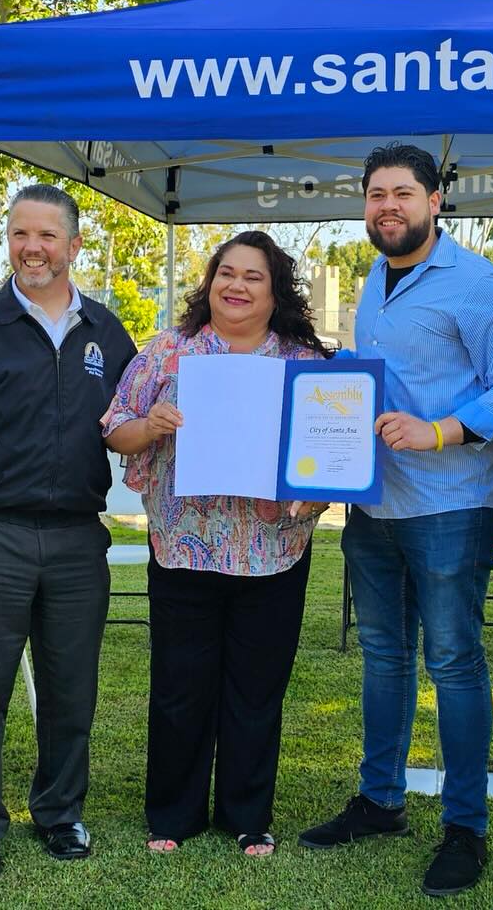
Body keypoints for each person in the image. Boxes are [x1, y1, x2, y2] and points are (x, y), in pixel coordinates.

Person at [299, 143, 493, 898]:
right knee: (384, 656)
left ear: (437, 200)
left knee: (454, 661)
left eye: (402, 193)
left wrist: (441, 430)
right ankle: (381, 800)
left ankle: (465, 826)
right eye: (374, 194)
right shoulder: (374, 274)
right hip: (375, 502)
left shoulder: (478, 284)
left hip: (450, 506)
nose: (386, 206)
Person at [0, 183, 136, 882]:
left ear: (73, 245)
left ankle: (59, 811)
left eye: (46, 235)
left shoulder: (107, 332)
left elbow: (138, 418)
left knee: (73, 688)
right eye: (18, 235)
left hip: (77, 540)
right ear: (6, 242)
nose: (31, 248)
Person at [102, 231, 329, 858]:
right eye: (226, 273)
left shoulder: (305, 364)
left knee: (256, 690)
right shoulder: (170, 352)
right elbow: (116, 427)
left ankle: (247, 816)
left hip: (273, 549)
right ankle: (173, 814)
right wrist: (149, 425)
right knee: (180, 685)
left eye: (253, 277)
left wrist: (314, 486)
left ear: (276, 290)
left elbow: (329, 457)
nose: (236, 286)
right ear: (210, 283)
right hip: (183, 547)